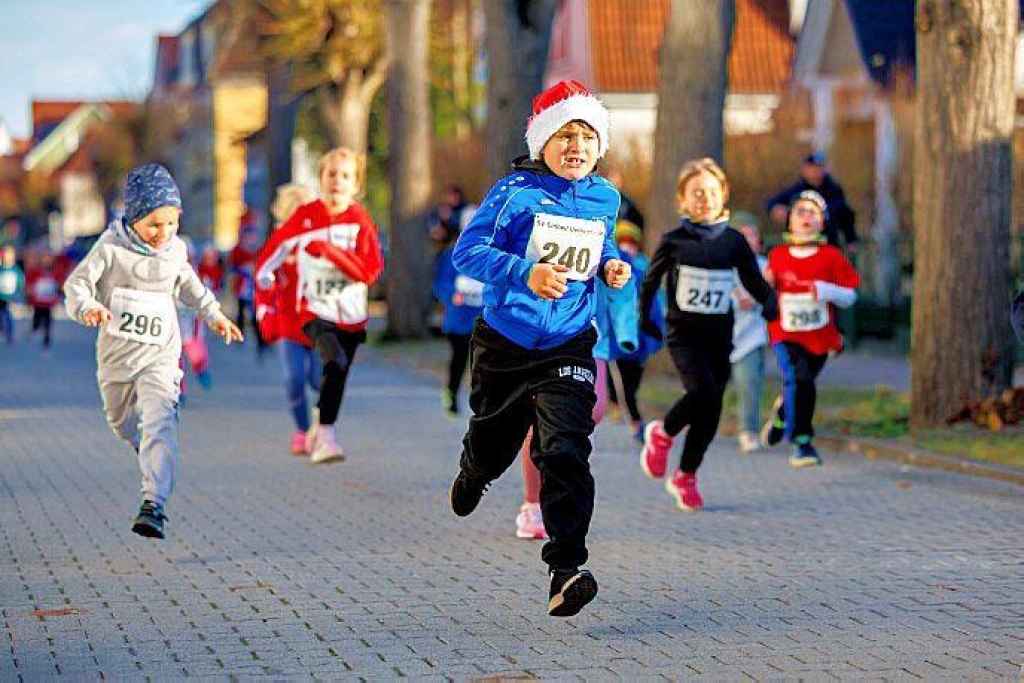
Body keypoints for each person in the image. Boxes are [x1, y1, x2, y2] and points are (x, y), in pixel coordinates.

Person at [447, 79, 631, 618]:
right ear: (543, 143)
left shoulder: (606, 196)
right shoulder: (513, 193)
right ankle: (475, 470)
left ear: (600, 147)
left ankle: (566, 568)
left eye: (587, 137)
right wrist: (526, 273)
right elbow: (467, 252)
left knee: (565, 448)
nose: (576, 147)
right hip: (505, 341)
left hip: (569, 341)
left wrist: (613, 266)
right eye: (565, 136)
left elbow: (604, 245)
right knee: (498, 439)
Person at [63, 163, 243, 539]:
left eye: (171, 224)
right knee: (122, 424)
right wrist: (88, 308)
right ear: (133, 219)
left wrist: (214, 315)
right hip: (116, 360)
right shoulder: (110, 249)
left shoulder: (175, 250)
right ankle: (147, 453)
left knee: (160, 424)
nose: (164, 234)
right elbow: (76, 285)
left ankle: (154, 504)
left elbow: (190, 286)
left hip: (161, 357)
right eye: (154, 225)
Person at [638, 158, 777, 512]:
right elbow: (650, 283)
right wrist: (645, 319)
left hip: (720, 335)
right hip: (683, 333)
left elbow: (752, 279)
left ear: (724, 196)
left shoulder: (733, 241)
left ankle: (685, 475)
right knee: (702, 391)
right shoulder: (674, 241)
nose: (705, 199)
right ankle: (664, 433)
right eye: (696, 193)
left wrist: (769, 303)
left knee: (711, 410)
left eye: (712, 192)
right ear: (682, 200)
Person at [256, 149, 384, 464]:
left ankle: (321, 427)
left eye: (345, 176)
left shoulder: (359, 221)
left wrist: (330, 252)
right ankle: (325, 436)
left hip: (351, 314)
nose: (336, 181)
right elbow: (274, 248)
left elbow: (369, 271)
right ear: (321, 179)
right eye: (330, 174)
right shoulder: (305, 216)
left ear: (356, 184)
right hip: (313, 310)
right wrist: (263, 281)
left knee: (337, 372)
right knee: (333, 361)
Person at [513, 252, 639, 542]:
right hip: (543, 335)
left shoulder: (597, 222)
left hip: (591, 338)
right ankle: (533, 505)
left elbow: (622, 288)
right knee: (538, 422)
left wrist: (616, 273)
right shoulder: (536, 217)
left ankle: (563, 486)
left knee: (593, 412)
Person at [760, 190, 860, 467]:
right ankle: (801, 442)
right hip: (785, 331)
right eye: (799, 212)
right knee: (798, 378)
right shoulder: (778, 255)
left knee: (803, 382)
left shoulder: (831, 256)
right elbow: (765, 294)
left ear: (823, 221)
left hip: (820, 336)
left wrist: (825, 290)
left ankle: (782, 414)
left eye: (813, 213)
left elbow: (851, 295)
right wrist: (764, 285)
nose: (806, 218)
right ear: (789, 220)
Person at [255, 183, 322, 456]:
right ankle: (303, 431)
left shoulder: (321, 240)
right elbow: (262, 279)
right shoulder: (279, 244)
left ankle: (323, 424)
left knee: (319, 380)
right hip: (288, 324)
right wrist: (266, 310)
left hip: (319, 321)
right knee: (293, 379)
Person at [605, 220, 663, 443]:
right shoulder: (611, 267)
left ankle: (626, 409)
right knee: (623, 385)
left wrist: (656, 328)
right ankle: (636, 422)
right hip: (618, 337)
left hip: (640, 337)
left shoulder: (644, 267)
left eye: (632, 243)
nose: (628, 248)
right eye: (623, 243)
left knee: (634, 382)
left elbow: (655, 301)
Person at [432, 206, 483, 417]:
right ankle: (451, 395)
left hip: (482, 318)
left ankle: (481, 403)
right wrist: (452, 294)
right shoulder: (451, 254)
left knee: (481, 362)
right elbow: (440, 283)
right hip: (458, 318)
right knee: (459, 359)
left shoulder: (489, 252)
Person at [728, 211, 769, 453]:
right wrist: (736, 300)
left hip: (751, 336)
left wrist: (758, 298)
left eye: (751, 235)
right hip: (721, 335)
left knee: (749, 382)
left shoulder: (765, 266)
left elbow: (773, 295)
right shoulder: (722, 265)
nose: (747, 240)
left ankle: (748, 429)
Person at [765, 151, 858, 251]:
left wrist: (850, 239)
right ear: (805, 169)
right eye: (812, 168)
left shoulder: (834, 191)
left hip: (827, 245)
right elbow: (772, 202)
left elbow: (846, 216)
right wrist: (775, 209)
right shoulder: (797, 190)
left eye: (819, 168)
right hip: (800, 246)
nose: (816, 171)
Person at [229, 210, 266, 357]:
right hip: (243, 286)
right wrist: (243, 269)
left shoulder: (259, 248)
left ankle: (262, 342)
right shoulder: (238, 249)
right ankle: (239, 337)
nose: (250, 238)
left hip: (255, 287)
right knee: (240, 312)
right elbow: (232, 266)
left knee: (256, 315)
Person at [24, 248, 61, 353]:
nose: (47, 261)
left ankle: (46, 345)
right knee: (37, 322)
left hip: (49, 304)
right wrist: (29, 292)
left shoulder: (55, 272)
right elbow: (29, 285)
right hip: (38, 303)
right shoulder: (36, 271)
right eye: (45, 258)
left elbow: (58, 286)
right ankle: (33, 329)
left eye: (49, 259)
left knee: (48, 325)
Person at [0, 244, 24, 344]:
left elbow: (20, 281)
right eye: (7, 255)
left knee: (7, 315)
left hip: (9, 296)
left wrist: (20, 293)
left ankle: (9, 335)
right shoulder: (1, 268)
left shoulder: (15, 269)